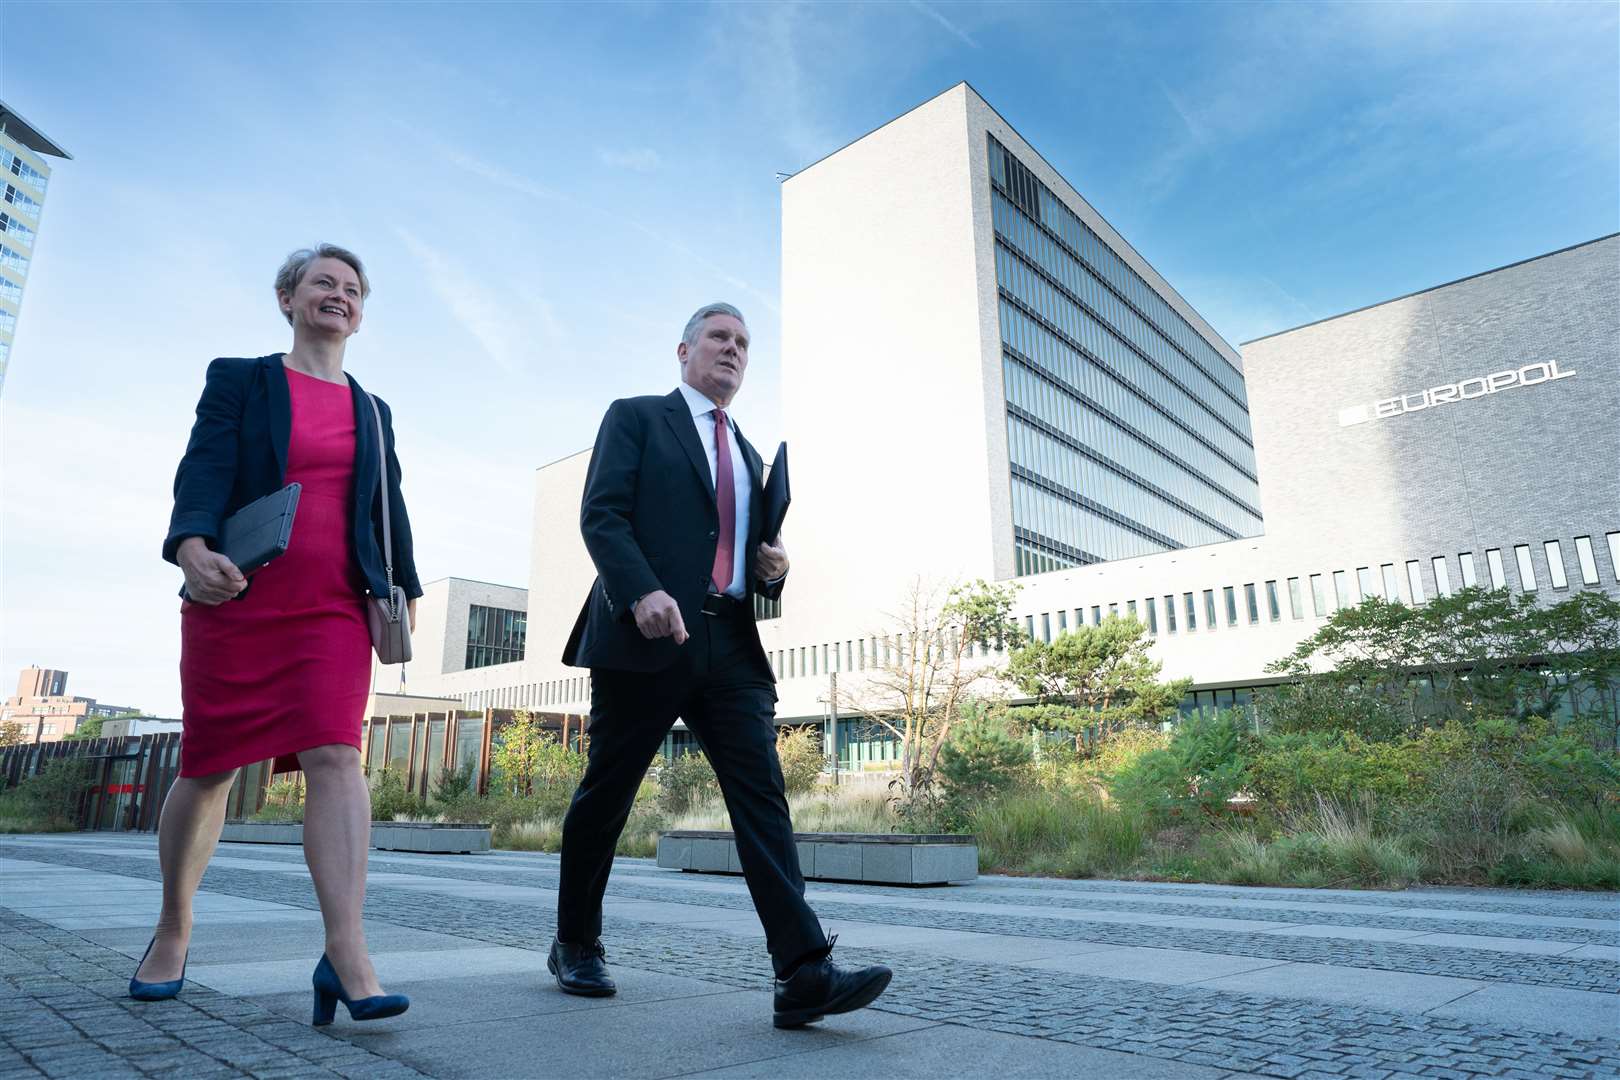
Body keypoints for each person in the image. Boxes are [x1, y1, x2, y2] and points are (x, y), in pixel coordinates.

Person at [554, 302, 893, 1028]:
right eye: (719, 337)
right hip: (646, 636)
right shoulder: (637, 417)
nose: (732, 350)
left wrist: (773, 568)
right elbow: (601, 514)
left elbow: (746, 556)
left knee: (762, 795)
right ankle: (575, 942)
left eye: (743, 342)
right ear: (684, 351)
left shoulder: (749, 453)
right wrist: (640, 589)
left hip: (730, 643)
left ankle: (802, 971)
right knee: (607, 793)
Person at [133, 244, 419, 1027]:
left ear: (361, 312)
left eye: (352, 288)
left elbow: (387, 505)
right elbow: (203, 468)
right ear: (287, 298)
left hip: (333, 603)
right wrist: (191, 546)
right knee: (208, 766)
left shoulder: (372, 408)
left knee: (336, 753)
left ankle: (347, 952)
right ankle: (173, 927)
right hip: (240, 591)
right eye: (323, 282)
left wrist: (406, 587)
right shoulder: (240, 378)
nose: (339, 295)